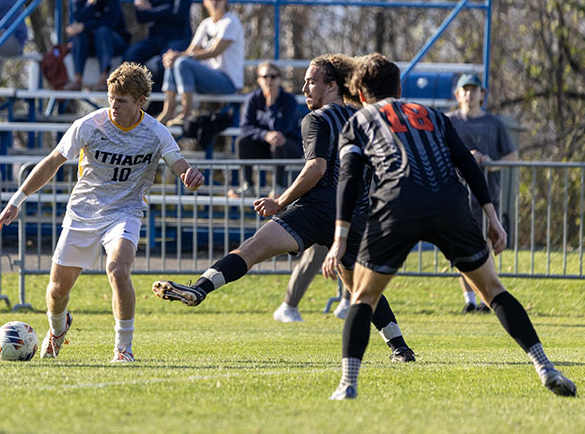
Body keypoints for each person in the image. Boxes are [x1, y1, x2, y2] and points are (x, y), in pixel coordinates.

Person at [322, 53, 575, 400]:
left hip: (397, 205)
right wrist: (493, 218)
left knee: (363, 296)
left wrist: (339, 239)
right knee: (493, 290)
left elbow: (349, 179)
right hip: (451, 206)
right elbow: (468, 165)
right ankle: (545, 366)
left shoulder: (359, 121)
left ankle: (347, 384)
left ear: (362, 96)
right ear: (399, 87)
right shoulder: (432, 115)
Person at [153, 55, 415, 363]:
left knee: (251, 250)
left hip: (314, 210)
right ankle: (400, 348)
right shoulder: (364, 118)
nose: (304, 86)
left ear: (332, 86)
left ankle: (199, 289)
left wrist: (281, 201)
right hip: (355, 216)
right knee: (359, 286)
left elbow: (317, 168)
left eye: (312, 81)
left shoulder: (316, 119)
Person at [0, 62, 204, 363]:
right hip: (83, 212)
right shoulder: (89, 125)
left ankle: (123, 349)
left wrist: (190, 176)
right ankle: (58, 328)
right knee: (56, 293)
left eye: (122, 101)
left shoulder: (156, 133)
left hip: (125, 213)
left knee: (118, 270)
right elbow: (53, 162)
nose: (114, 106)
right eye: (111, 98)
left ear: (141, 101)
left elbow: (181, 167)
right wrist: (16, 201)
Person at [447, 74, 518, 313]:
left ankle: (488, 299)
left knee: (486, 245)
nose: (469, 93)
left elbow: (512, 156)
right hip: (456, 192)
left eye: (473, 89)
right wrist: (467, 158)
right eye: (464, 89)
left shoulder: (494, 123)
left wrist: (490, 163)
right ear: (457, 94)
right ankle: (470, 300)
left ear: (482, 94)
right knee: (461, 246)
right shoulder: (449, 121)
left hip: (487, 193)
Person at [155, 0, 244, 125]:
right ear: (205, 1)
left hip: (227, 82)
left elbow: (214, 51)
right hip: (206, 80)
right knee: (175, 62)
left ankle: (186, 114)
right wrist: (173, 56)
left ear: (225, 0)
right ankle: (168, 112)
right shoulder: (206, 24)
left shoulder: (230, 22)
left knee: (182, 62)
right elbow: (190, 51)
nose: (214, 1)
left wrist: (180, 56)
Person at [228, 61, 303, 198]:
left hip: (289, 147)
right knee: (242, 142)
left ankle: (279, 187)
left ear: (279, 79)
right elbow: (245, 127)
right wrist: (265, 135)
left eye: (273, 77)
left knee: (278, 139)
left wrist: (272, 105)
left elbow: (284, 128)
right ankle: (248, 186)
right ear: (259, 79)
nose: (269, 80)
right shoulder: (253, 98)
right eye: (264, 77)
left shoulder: (289, 100)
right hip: (264, 146)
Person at [65, 0, 129, 91]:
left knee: (102, 31)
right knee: (79, 35)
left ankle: (104, 78)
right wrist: (90, 3)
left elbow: (110, 22)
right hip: (89, 44)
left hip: (113, 41)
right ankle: (77, 79)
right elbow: (77, 22)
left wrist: (85, 26)